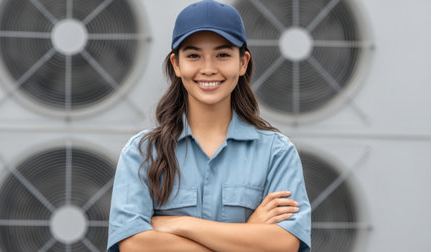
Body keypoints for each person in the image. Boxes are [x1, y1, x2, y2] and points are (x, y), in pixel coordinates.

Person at [107, 0, 311, 251]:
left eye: (223, 55)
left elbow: (284, 244)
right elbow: (133, 245)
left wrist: (182, 224)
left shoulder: (277, 153)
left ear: (243, 62)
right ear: (177, 64)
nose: (208, 69)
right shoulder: (143, 152)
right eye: (194, 56)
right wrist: (248, 235)